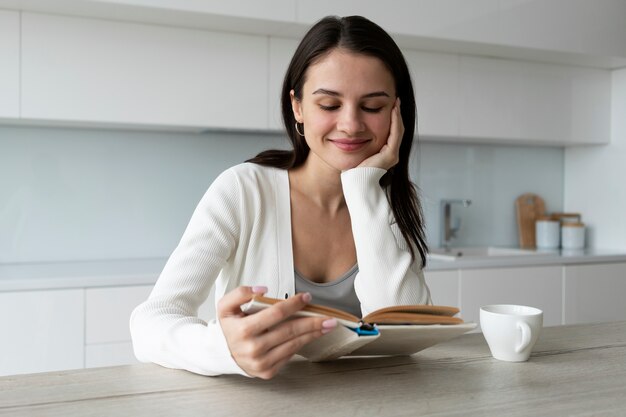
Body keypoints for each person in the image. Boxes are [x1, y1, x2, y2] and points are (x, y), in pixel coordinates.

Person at [130, 15, 431, 379]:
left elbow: (404, 330)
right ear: (298, 107)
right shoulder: (243, 190)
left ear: (398, 112)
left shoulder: (390, 202)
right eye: (329, 105)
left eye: (372, 107)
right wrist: (225, 349)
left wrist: (364, 185)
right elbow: (150, 322)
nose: (351, 124)